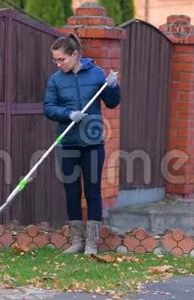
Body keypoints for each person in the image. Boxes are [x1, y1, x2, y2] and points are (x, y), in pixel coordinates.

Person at [43, 33, 120, 256]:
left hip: (93, 142)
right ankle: (77, 241)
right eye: (55, 60)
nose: (58, 64)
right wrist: (68, 113)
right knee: (71, 190)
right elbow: (48, 108)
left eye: (61, 59)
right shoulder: (56, 80)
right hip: (68, 142)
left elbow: (113, 103)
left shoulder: (96, 74)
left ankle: (92, 243)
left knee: (93, 191)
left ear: (74, 54)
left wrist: (113, 87)